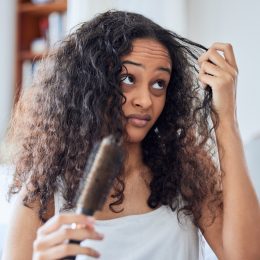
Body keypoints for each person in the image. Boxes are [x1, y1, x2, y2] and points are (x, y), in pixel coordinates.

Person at [2, 10, 260, 260]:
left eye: (159, 84)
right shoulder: (42, 193)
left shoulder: (185, 171)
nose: (145, 100)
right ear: (91, 83)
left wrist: (225, 119)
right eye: (127, 79)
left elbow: (247, 256)